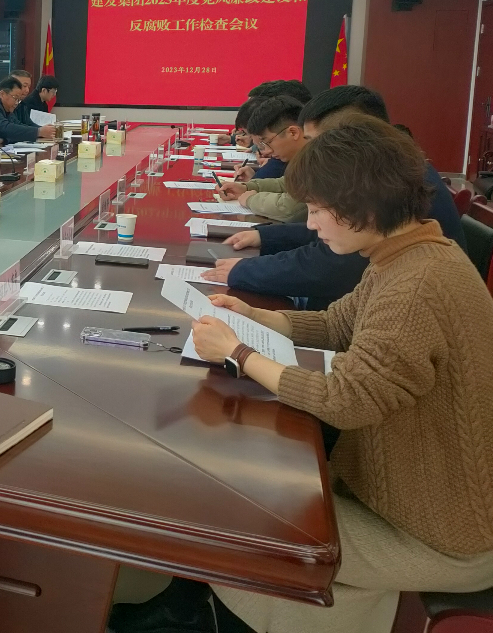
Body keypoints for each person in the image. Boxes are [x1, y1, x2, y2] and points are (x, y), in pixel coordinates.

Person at [190, 117, 493, 633]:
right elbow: (336, 324)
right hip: (410, 498)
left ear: (362, 208)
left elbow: (347, 399)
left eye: (317, 210)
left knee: (232, 517)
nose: (310, 225)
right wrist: (256, 316)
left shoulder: (417, 284)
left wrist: (238, 352)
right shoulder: (407, 254)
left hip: (441, 532)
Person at [204, 85, 465, 306]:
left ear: (353, 137)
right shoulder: (389, 166)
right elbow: (331, 231)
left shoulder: (384, 182)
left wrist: (245, 271)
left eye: (315, 141)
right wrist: (266, 236)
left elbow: (331, 267)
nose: (310, 151)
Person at [217, 95, 308, 222]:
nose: (267, 152)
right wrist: (246, 188)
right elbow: (286, 183)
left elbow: (290, 208)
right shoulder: (305, 157)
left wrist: (251, 200)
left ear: (293, 132)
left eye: (266, 142)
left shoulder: (322, 154)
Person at [0, 76, 56, 146]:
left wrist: (41, 131)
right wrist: (38, 132)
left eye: (19, 99)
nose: (17, 103)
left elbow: (17, 125)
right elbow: (6, 128)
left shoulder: (6, 107)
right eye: (15, 98)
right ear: (2, 94)